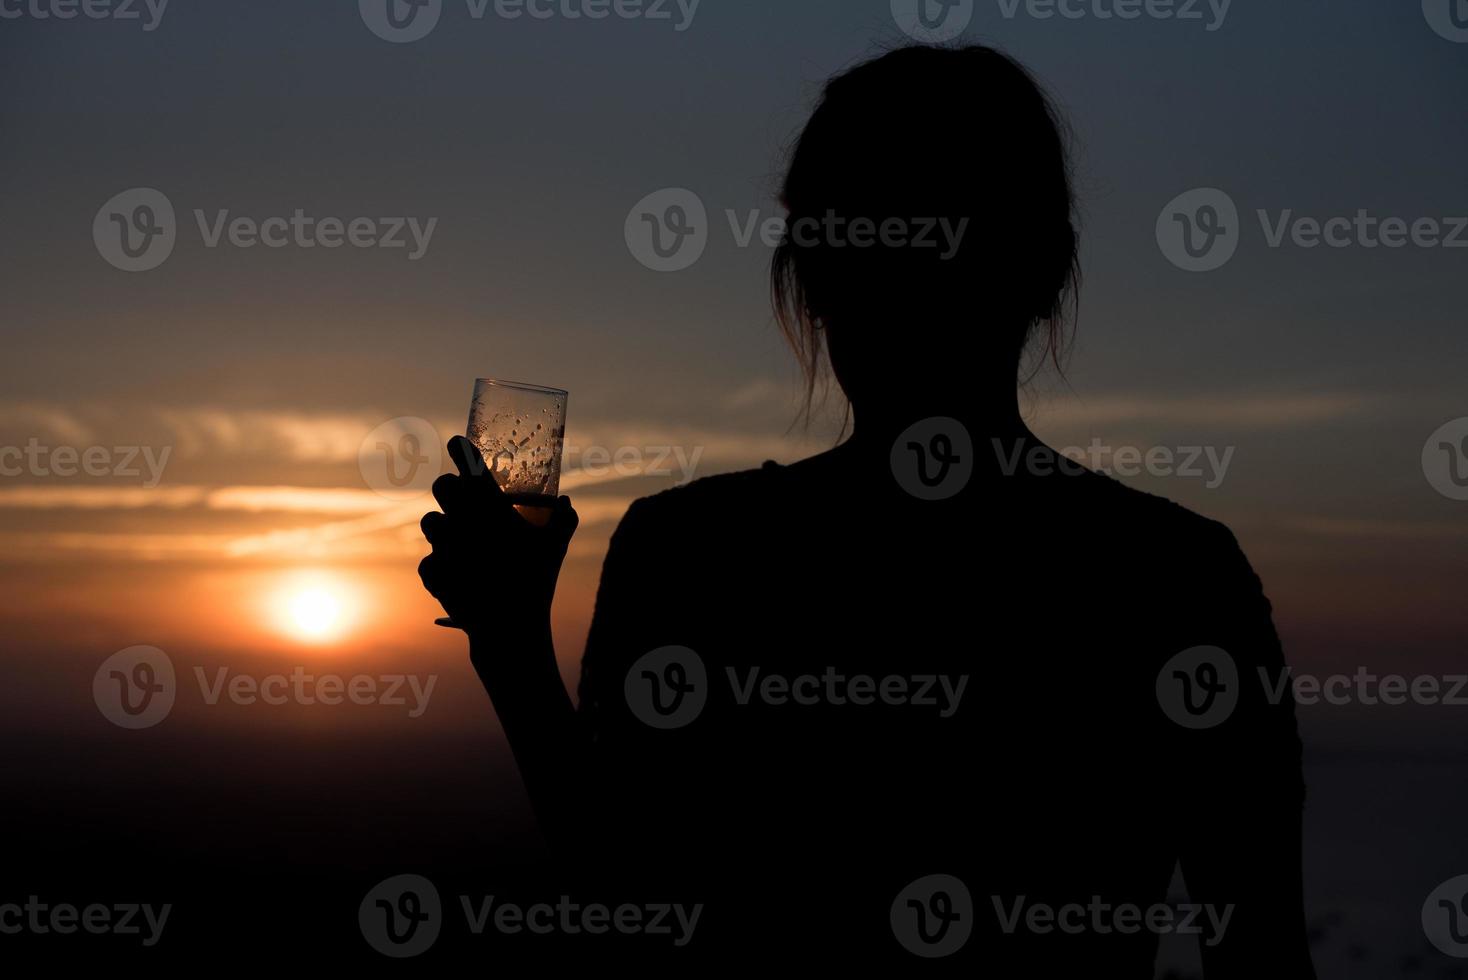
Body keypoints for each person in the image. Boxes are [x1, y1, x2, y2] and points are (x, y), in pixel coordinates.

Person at [419, 43, 1314, 975]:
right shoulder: (1178, 580)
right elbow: (1267, 959)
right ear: (1051, 273)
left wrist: (515, 647)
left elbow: (627, 902)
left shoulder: (697, 555)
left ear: (805, 279)